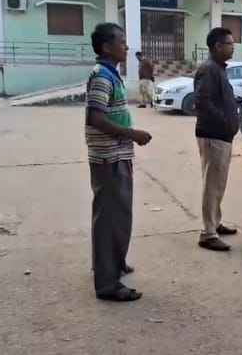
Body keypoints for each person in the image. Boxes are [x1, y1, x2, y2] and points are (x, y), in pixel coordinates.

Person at [85, 23, 153, 301]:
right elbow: (96, 118)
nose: (126, 47)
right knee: (110, 219)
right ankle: (107, 283)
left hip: (117, 154)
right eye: (121, 42)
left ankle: (114, 263)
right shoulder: (102, 76)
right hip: (108, 157)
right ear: (106, 47)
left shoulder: (111, 74)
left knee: (118, 216)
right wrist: (132, 134)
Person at [194, 27, 240, 251]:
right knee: (212, 185)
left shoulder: (219, 69)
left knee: (219, 183)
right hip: (213, 135)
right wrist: (224, 122)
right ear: (217, 46)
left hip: (223, 135)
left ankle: (215, 222)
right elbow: (202, 103)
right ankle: (208, 233)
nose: (233, 47)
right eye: (230, 44)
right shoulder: (208, 69)